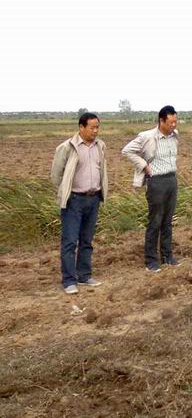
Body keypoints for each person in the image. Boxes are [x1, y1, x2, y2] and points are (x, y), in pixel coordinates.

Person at [50, 113, 108, 294]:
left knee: (87, 240)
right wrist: (66, 191)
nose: (95, 131)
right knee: (69, 241)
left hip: (93, 198)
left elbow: (101, 169)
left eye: (97, 127)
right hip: (74, 200)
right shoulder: (67, 147)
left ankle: (84, 275)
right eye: (92, 127)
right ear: (81, 127)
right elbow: (56, 175)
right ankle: (69, 281)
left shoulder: (100, 146)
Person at [122, 105, 181, 273]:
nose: (173, 125)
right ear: (161, 121)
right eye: (170, 122)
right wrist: (143, 165)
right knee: (155, 221)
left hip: (171, 180)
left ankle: (167, 256)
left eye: (175, 122)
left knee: (167, 221)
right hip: (156, 182)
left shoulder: (175, 135)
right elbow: (127, 151)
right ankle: (151, 261)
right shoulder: (147, 137)